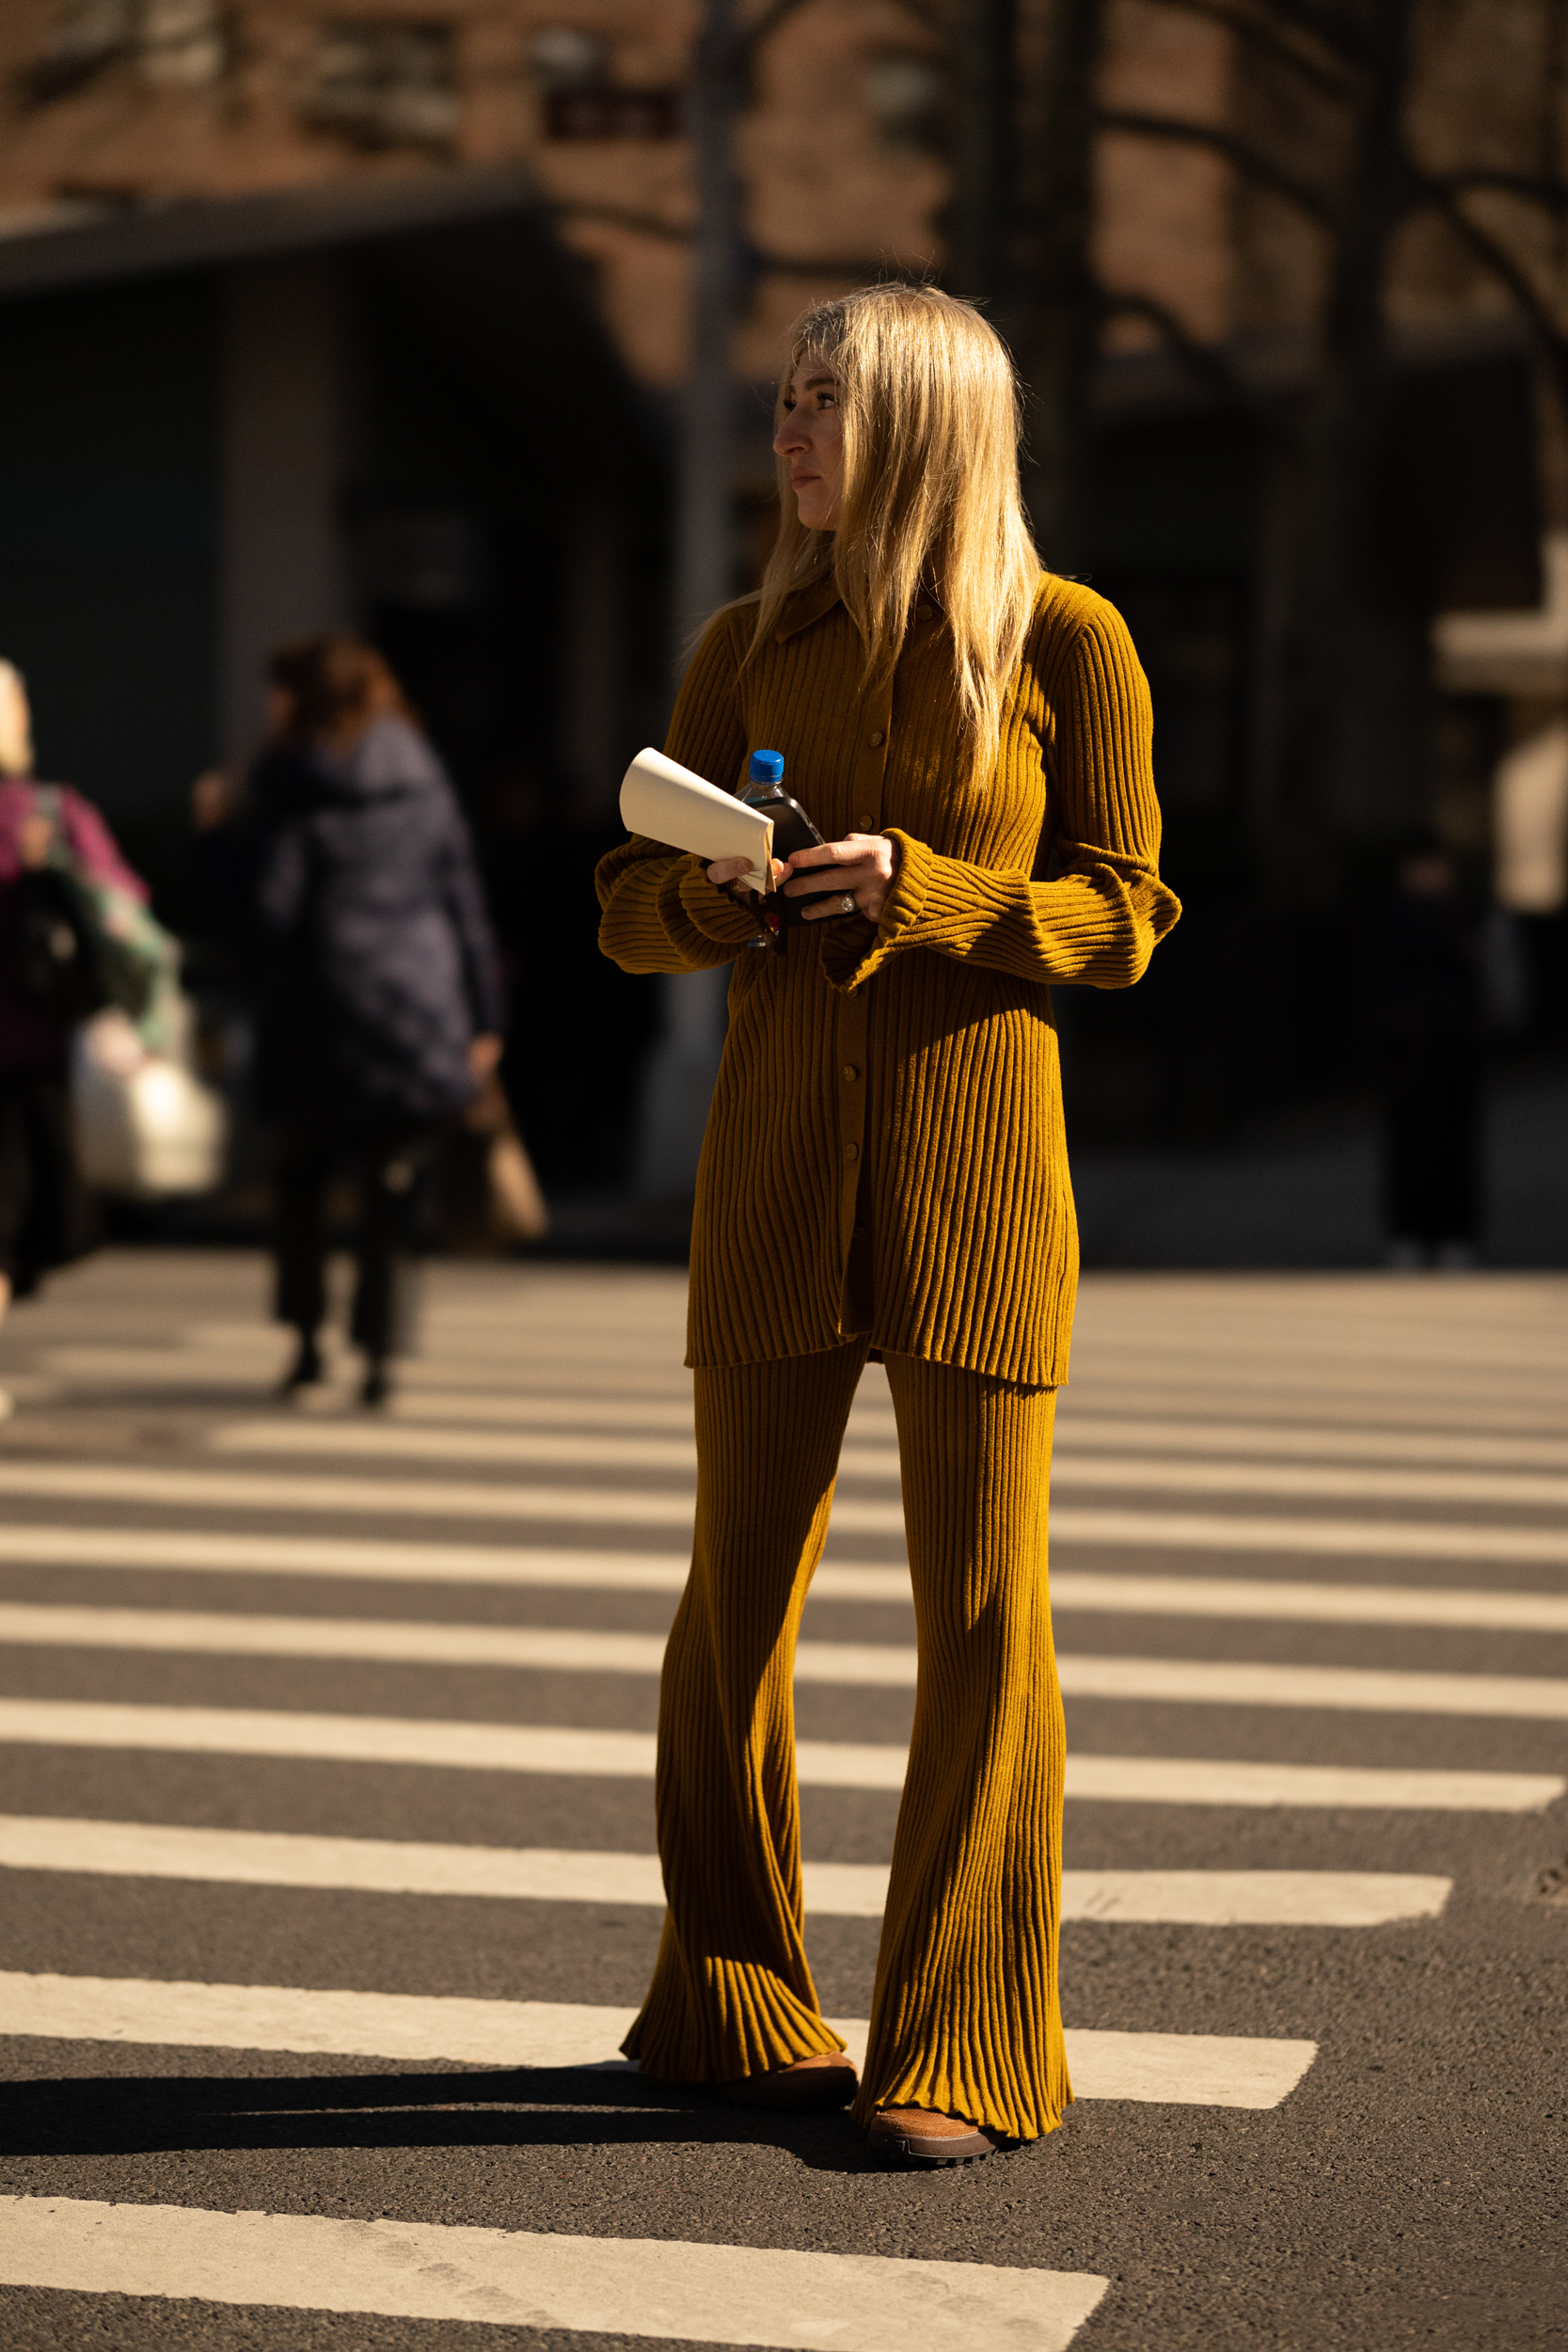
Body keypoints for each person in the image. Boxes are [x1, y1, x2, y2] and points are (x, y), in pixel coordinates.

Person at [595, 285, 1180, 2166]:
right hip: (768, 1170)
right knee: (729, 1611)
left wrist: (926, 890)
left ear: (928, 426)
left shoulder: (1067, 643)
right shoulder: (748, 642)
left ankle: (964, 2037)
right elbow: (621, 900)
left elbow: (1127, 910)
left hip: (977, 1183)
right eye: (782, 401)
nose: (787, 436)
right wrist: (719, 905)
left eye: (824, 404)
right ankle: (731, 1994)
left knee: (983, 1619)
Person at [211, 635, 504, 1406]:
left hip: (321, 1010)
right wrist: (484, 1017)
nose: (269, 705)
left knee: (303, 1184)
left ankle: (308, 1345)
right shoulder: (423, 775)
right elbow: (464, 904)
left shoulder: (289, 783)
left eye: (279, 691)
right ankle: (380, 1359)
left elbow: (268, 913)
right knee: (393, 1189)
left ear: (304, 699)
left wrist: (218, 833)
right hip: (419, 1007)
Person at [0, 659, 150, 1399]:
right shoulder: (53, 816)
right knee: (13, 1216)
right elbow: (125, 910)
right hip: (32, 1049)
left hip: (29, 1049)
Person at [1368, 834, 1486, 1266]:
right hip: (1406, 1044)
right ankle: (1408, 1233)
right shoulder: (1392, 917)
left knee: (1457, 1142)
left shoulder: (1468, 914)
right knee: (1408, 1144)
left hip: (1456, 1043)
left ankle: (1456, 1234)